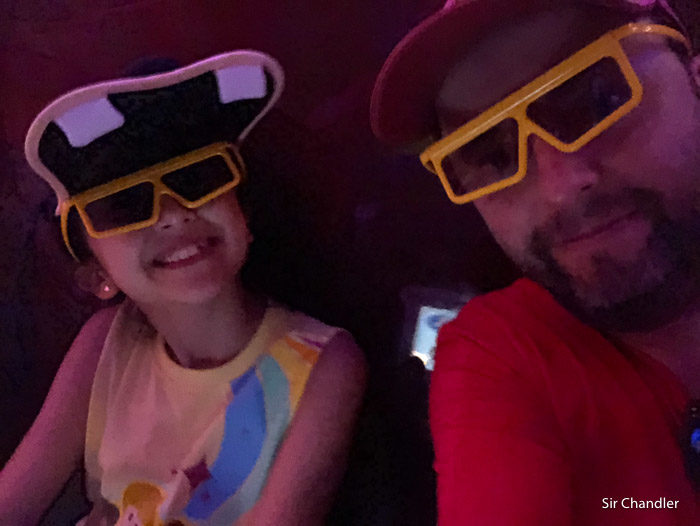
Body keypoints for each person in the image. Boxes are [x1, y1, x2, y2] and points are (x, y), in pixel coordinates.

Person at [0, 50, 366, 526]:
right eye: (126, 203)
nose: (172, 213)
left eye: (199, 177)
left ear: (244, 212)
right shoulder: (104, 343)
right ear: (97, 276)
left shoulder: (324, 361)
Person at [370, 0, 700, 524]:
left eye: (598, 99)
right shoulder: (503, 356)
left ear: (694, 79)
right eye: (490, 154)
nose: (559, 189)